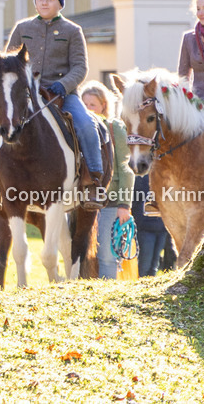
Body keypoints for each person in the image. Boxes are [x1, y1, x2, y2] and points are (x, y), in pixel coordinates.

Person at [0, 0, 105, 209]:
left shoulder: (72, 31)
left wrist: (64, 84)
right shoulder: (22, 28)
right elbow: (8, 63)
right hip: (25, 94)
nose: (44, 2)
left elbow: (80, 67)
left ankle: (93, 182)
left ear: (60, 3)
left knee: (86, 124)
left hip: (62, 94)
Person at [80, 81, 135, 279]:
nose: (88, 109)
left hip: (111, 204)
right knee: (84, 258)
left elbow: (126, 168)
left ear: (103, 105)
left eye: (92, 105)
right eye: (84, 105)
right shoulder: (77, 130)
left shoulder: (114, 127)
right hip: (84, 204)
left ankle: (107, 300)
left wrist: (124, 205)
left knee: (107, 258)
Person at [131, 173, 169, 276]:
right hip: (145, 228)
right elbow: (136, 199)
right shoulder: (141, 176)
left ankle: (149, 288)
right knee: (144, 265)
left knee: (154, 266)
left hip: (162, 228)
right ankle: (140, 288)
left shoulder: (164, 175)